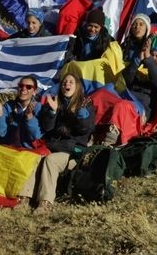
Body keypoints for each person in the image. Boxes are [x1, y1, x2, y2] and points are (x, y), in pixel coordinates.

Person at [18, 73, 96, 212]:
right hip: (53, 146)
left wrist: (79, 113)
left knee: (51, 160)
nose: (67, 84)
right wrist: (52, 112)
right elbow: (47, 128)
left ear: (77, 87)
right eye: (64, 82)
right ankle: (24, 197)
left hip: (73, 152)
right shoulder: (55, 102)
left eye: (71, 82)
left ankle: (45, 202)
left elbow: (85, 130)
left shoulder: (85, 104)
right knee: (35, 157)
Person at [0, 76, 44, 148]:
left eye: (28, 87)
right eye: (21, 85)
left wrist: (29, 117)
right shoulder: (8, 106)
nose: (23, 88)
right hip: (7, 147)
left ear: (34, 91)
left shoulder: (38, 107)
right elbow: (0, 133)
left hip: (29, 150)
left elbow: (36, 136)